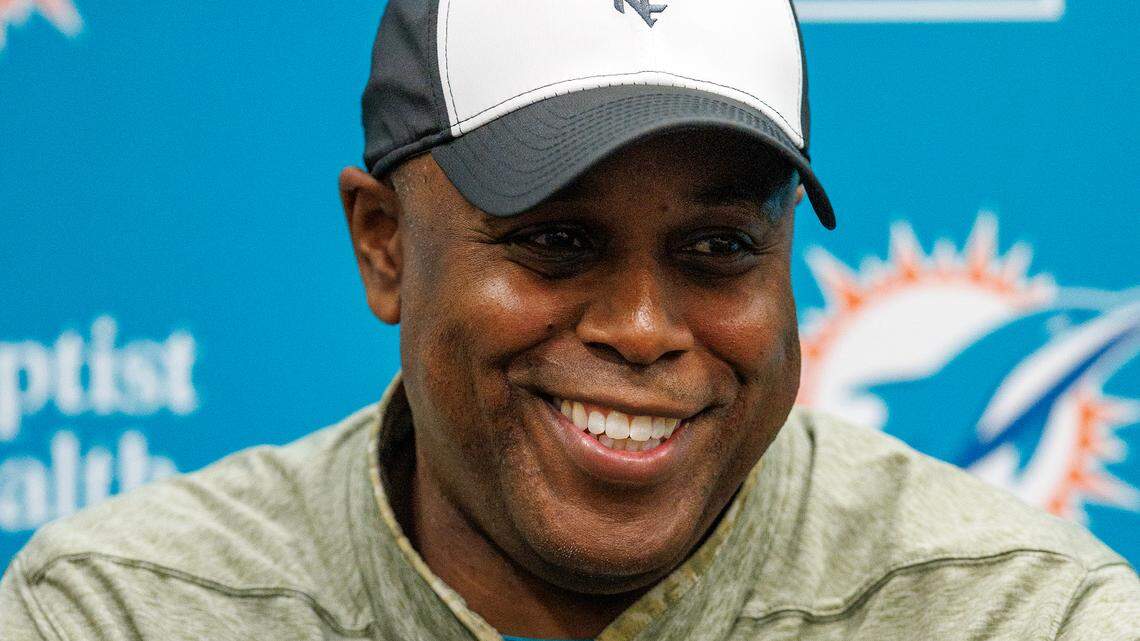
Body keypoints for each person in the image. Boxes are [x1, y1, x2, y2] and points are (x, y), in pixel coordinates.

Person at [2, 1, 1138, 639]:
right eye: (554, 239)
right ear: (383, 244)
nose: (642, 327)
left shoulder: (1017, 616)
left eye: (719, 248)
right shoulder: (129, 613)